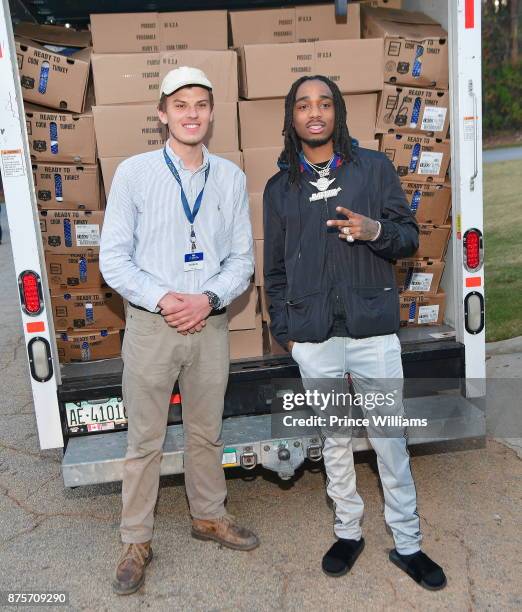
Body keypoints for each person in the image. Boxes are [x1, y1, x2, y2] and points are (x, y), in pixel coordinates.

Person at [263, 75, 446, 590]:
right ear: (291, 117)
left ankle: (408, 543)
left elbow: (408, 236)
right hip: (314, 338)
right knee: (336, 440)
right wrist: (288, 335)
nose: (314, 112)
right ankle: (348, 531)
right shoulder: (281, 189)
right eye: (303, 105)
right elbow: (273, 270)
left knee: (390, 440)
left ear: (338, 112)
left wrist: (375, 231)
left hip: (372, 332)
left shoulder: (373, 168)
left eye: (324, 103)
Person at [100, 66, 258, 596]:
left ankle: (209, 516)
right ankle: (136, 539)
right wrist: (167, 298)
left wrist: (208, 299)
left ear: (212, 113)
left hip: (209, 323)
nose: (192, 114)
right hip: (151, 324)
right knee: (144, 438)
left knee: (205, 431)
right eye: (181, 104)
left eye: (201, 105)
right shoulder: (135, 174)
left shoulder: (231, 177)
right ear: (162, 113)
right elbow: (114, 260)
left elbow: (241, 260)